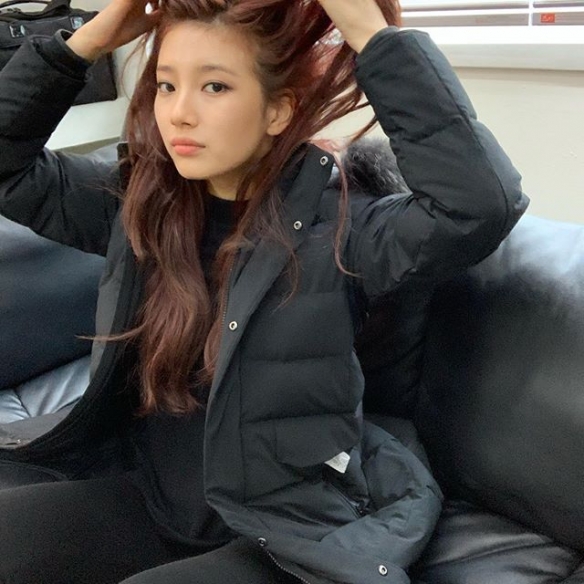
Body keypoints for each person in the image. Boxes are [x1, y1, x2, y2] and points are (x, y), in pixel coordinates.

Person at [0, 0, 529, 582]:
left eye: (215, 87)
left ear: (278, 110)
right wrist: (83, 44)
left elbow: (478, 206)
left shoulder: (344, 230)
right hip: (151, 489)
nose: (179, 113)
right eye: (167, 85)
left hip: (277, 521)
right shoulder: (139, 206)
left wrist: (370, 35)